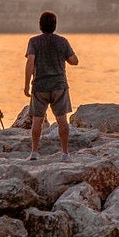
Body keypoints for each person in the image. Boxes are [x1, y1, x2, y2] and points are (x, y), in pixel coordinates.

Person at [24, 10, 79, 160]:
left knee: (37, 120)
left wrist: (26, 85)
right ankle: (65, 153)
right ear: (55, 26)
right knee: (62, 120)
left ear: (40, 25)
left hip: (40, 86)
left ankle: (34, 152)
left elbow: (30, 62)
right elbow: (74, 61)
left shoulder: (34, 42)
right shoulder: (62, 41)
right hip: (59, 86)